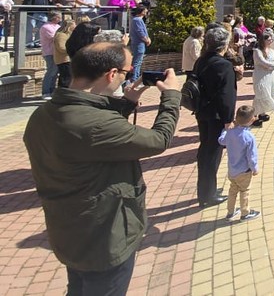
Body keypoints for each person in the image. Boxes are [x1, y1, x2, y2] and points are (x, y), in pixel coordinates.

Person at [24, 43, 180, 295]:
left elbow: (95, 135)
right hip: (104, 236)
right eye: (127, 73)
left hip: (68, 230)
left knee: (77, 287)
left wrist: (127, 100)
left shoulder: (44, 114)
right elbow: (158, 140)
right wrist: (171, 96)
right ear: (111, 74)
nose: (128, 77)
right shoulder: (96, 125)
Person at [194, 26, 239, 207]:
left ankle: (205, 189)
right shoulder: (224, 65)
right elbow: (227, 96)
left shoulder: (201, 61)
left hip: (202, 111)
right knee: (212, 153)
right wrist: (229, 119)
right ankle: (208, 195)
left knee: (205, 150)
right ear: (224, 44)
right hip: (216, 115)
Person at [218, 106, 262, 221]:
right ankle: (245, 213)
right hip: (244, 171)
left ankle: (230, 212)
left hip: (232, 170)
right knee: (245, 191)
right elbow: (251, 156)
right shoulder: (249, 137)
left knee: (232, 190)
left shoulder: (230, 132)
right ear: (252, 120)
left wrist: (225, 130)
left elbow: (221, 141)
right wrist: (255, 168)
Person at [251, 32, 274, 125]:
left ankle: (262, 113)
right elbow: (262, 62)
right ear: (263, 40)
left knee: (268, 92)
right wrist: (271, 65)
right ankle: (254, 115)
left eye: (271, 39)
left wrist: (272, 66)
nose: (270, 41)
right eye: (268, 39)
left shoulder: (272, 51)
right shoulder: (257, 51)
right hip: (260, 76)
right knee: (260, 94)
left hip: (270, 76)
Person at [39, 11, 61, 97]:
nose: (60, 18)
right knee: (50, 71)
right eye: (58, 17)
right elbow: (55, 37)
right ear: (54, 17)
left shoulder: (58, 26)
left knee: (55, 72)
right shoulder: (46, 27)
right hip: (49, 52)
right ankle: (45, 92)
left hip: (56, 52)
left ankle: (52, 90)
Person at [128, 6, 150, 83]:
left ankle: (135, 77)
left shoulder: (138, 20)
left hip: (140, 43)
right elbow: (140, 32)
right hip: (138, 43)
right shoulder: (137, 20)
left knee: (138, 61)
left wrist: (147, 38)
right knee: (137, 62)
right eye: (145, 10)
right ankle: (134, 78)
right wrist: (146, 39)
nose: (146, 11)